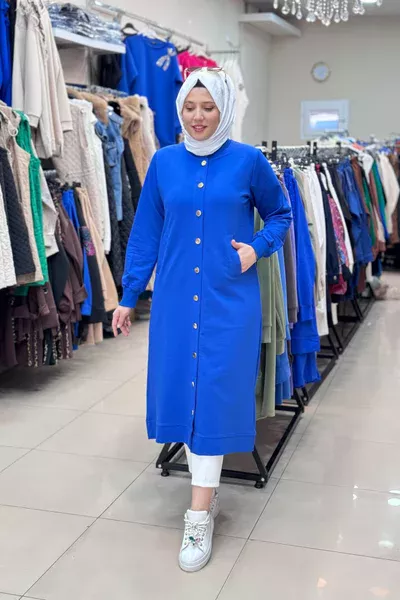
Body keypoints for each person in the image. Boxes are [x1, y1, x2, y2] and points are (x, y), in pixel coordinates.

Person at [112, 67, 292, 573]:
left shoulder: (249, 161)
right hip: (175, 301)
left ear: (224, 108)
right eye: (190, 107)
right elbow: (146, 232)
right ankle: (204, 493)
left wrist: (256, 249)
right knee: (183, 392)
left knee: (213, 394)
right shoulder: (164, 163)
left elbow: (281, 215)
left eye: (208, 107)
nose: (197, 117)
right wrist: (128, 295)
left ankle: (198, 514)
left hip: (229, 299)